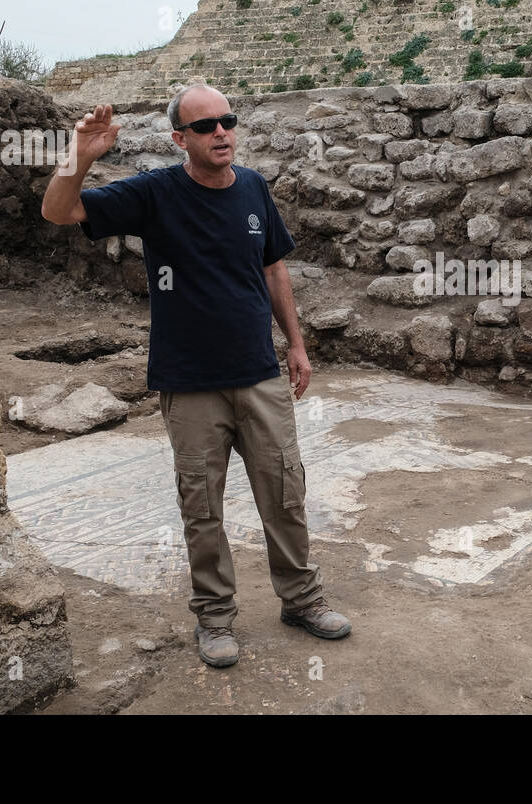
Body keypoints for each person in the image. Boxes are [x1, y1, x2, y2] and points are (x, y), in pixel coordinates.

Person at [41, 85, 351, 669]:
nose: (221, 133)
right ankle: (214, 618)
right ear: (180, 139)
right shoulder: (155, 193)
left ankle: (302, 600)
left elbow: (273, 266)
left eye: (227, 122)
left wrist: (297, 345)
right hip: (189, 383)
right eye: (205, 127)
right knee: (202, 508)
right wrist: (78, 157)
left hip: (259, 374)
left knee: (285, 494)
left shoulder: (255, 188)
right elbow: (59, 212)